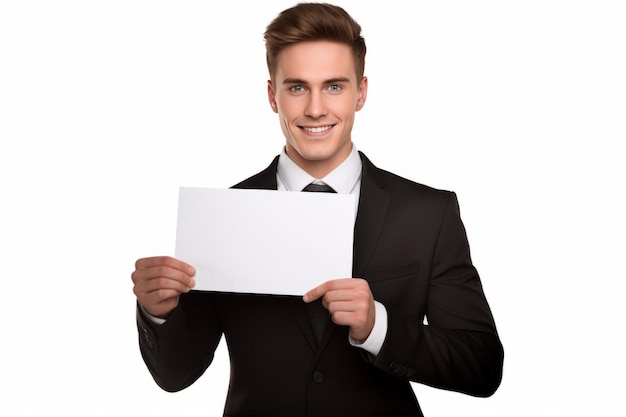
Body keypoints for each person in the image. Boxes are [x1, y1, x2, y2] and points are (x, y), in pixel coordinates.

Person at [131, 3, 504, 416]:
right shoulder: (225, 215)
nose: (314, 109)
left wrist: (377, 325)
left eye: (334, 86)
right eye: (296, 87)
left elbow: (482, 366)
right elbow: (176, 375)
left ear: (361, 92)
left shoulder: (428, 213)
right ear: (272, 96)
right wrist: (157, 312)